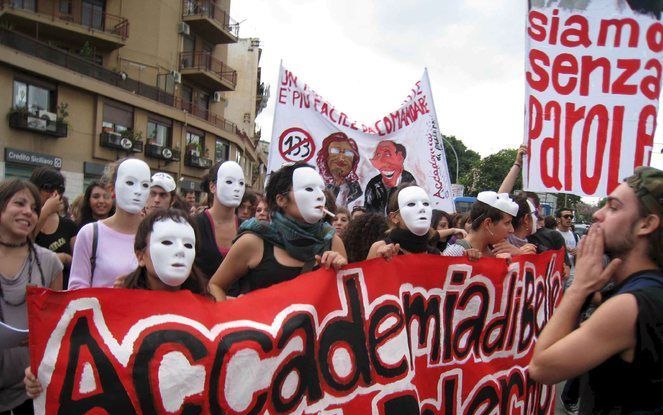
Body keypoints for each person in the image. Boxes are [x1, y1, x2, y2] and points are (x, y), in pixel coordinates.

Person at [24, 208, 207, 401]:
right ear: (140, 256)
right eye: (167, 242)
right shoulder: (110, 311)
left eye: (188, 245)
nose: (179, 251)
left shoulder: (208, 310)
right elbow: (77, 361)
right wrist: (43, 374)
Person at [529, 166, 663, 414]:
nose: (598, 215)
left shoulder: (630, 306)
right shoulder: (645, 291)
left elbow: (541, 368)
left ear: (646, 224)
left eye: (614, 207)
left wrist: (579, 287)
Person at [208, 162, 347, 301]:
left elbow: (347, 300)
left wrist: (340, 272)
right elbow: (215, 286)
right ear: (281, 200)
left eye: (322, 190)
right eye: (309, 189)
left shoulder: (332, 241)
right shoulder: (253, 242)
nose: (320, 196)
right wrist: (233, 313)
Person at [0, 179, 62, 414]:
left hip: (29, 390)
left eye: (35, 208)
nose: (28, 211)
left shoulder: (49, 262)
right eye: (19, 203)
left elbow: (57, 327)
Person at [68, 158, 151, 289]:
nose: (138, 191)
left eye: (145, 185)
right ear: (112, 189)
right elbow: (77, 290)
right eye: (130, 183)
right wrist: (114, 294)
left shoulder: (155, 236)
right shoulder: (90, 234)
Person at [193, 161, 245, 284]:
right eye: (229, 182)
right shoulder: (194, 225)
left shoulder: (247, 229)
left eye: (241, 183)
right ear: (213, 187)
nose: (237, 188)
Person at [29, 167, 77, 289]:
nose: (54, 193)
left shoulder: (68, 225)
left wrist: (65, 258)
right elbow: (25, 242)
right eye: (48, 187)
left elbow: (79, 262)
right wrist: (45, 211)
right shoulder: (26, 220)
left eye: (60, 189)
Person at [367, 184, 441, 259]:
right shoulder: (380, 249)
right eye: (411, 204)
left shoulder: (435, 255)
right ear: (394, 217)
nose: (422, 208)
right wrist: (379, 261)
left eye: (426, 203)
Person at [443, 191, 518, 260]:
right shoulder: (456, 252)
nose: (512, 230)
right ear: (488, 223)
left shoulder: (500, 252)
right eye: (507, 223)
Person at [364, 140, 416, 214]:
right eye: (378, 155)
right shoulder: (373, 184)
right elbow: (369, 211)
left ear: (400, 158)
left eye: (388, 155)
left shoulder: (409, 181)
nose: (383, 163)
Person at [315, 132, 363, 207]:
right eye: (335, 151)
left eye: (348, 153)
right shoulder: (318, 188)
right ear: (326, 156)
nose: (341, 158)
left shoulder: (358, 191)